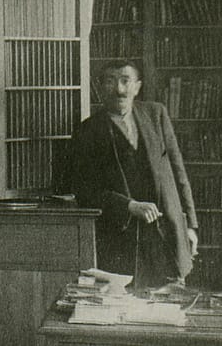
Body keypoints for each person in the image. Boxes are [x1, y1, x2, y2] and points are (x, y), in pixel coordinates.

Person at [70, 61, 199, 289]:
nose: (119, 89)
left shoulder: (156, 114)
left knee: (171, 307)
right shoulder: (87, 131)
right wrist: (129, 205)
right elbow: (85, 192)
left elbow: (179, 172)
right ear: (100, 87)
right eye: (110, 81)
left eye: (125, 80)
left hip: (166, 236)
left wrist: (190, 225)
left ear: (137, 87)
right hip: (120, 238)